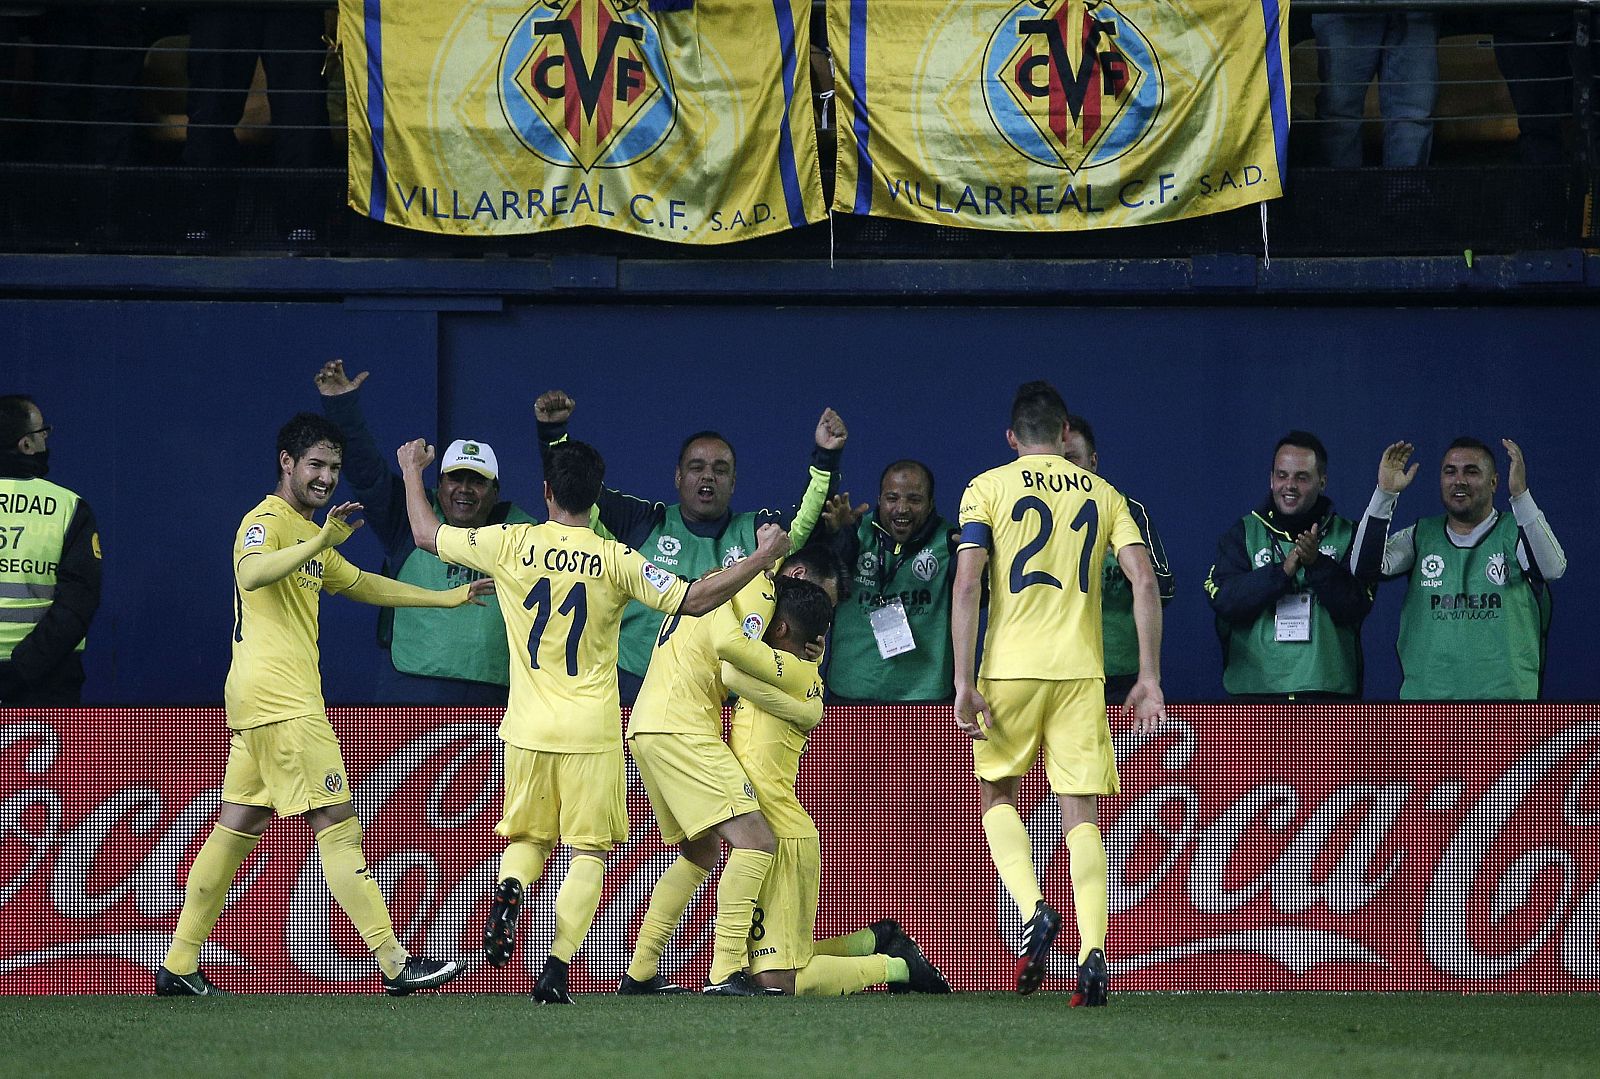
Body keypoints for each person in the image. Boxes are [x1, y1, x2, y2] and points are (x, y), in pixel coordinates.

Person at [398, 435, 789, 1004]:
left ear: (547, 491)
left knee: (529, 839)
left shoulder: (508, 541)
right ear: (596, 496)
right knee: (589, 853)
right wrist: (759, 560)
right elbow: (697, 600)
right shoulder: (618, 558)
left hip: (525, 729)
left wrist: (412, 470)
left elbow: (425, 534)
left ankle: (510, 886)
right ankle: (554, 971)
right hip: (592, 731)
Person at [155, 413, 490, 997]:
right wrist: (318, 541)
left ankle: (179, 964)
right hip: (284, 700)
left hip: (262, 701)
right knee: (337, 822)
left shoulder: (312, 530)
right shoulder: (265, 521)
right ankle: (395, 963)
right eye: (315, 464)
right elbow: (253, 573)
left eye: (334, 468)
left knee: (237, 824)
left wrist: (448, 596)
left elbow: (364, 583)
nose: (326, 476)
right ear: (286, 462)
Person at [952, 381, 1165, 1007]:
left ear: (1012, 437)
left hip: (1010, 668)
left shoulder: (986, 487)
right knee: (1081, 812)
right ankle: (1093, 954)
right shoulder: (1104, 494)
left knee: (997, 793)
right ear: (1066, 431)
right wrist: (1149, 677)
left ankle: (1032, 912)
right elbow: (1145, 580)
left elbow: (967, 585)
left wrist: (963, 682)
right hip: (1080, 672)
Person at [620, 544, 841, 997]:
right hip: (683, 728)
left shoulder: (714, 584)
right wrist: (802, 670)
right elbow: (732, 663)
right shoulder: (753, 589)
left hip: (645, 725)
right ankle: (725, 970)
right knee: (757, 841)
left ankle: (641, 971)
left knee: (699, 853)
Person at [533, 389, 841, 703]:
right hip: (633, 688)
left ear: (733, 482)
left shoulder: (757, 533)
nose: (708, 476)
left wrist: (826, 456)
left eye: (720, 470)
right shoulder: (643, 523)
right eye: (696, 468)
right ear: (678, 477)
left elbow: (805, 520)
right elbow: (574, 488)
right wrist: (554, 434)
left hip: (718, 697)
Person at [726, 575, 950, 996]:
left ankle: (896, 967)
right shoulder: (798, 668)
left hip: (781, 838)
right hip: (771, 831)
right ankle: (877, 940)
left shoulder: (786, 671)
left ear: (779, 629)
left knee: (775, 980)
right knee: (777, 962)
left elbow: (728, 668)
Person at [316, 359, 537, 704]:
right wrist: (342, 407)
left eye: (477, 481)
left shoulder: (522, 532)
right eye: (455, 478)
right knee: (398, 763)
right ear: (438, 484)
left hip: (497, 690)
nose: (464, 489)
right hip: (411, 685)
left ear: (496, 492)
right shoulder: (407, 517)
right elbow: (365, 472)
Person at [1351, 437, 1566, 699]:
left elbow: (1551, 569)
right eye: (1449, 472)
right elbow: (1362, 567)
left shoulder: (1514, 532)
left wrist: (1521, 496)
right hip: (1427, 709)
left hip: (1505, 707)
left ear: (1494, 482)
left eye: (1471, 472)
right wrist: (1385, 494)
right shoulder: (1421, 535)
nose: (1459, 480)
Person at [1203, 432, 1372, 701]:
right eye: (1282, 475)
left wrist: (1316, 563)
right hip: (1256, 691)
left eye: (1301, 477)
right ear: (1271, 480)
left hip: (1327, 692)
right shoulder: (1244, 532)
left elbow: (1357, 605)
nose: (1289, 485)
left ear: (1322, 482)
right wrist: (1282, 572)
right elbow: (1224, 599)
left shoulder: (1349, 534)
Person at [822, 460, 958, 702]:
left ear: (931, 504)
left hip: (925, 697)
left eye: (914, 500)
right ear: (879, 499)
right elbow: (824, 583)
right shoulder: (855, 532)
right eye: (892, 498)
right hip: (850, 693)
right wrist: (839, 535)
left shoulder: (950, 543)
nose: (902, 508)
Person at [1062, 415, 1174, 705]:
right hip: (1060, 672)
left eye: (1072, 459)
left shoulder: (1127, 511)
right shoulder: (1041, 519)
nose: (1065, 471)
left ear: (1093, 462)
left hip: (1121, 675)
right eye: (1058, 461)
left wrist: (1128, 561)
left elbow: (1164, 589)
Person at [0, 395, 101, 706]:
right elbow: (78, 602)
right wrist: (22, 669)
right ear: (26, 445)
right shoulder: (68, 507)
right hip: (45, 684)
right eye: (42, 431)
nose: (46, 437)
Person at [1311, 11, 1439, 167]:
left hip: (1415, 11)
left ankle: (1406, 189)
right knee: (1339, 114)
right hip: (1344, 11)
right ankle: (1340, 189)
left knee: (1414, 115)